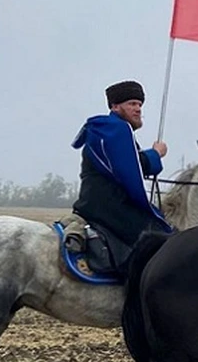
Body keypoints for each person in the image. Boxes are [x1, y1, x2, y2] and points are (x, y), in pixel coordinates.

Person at [71, 80, 173, 276]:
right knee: (158, 238)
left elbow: (126, 163)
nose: (138, 109)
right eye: (132, 104)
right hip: (110, 206)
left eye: (140, 104)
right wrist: (155, 154)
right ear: (115, 107)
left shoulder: (110, 130)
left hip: (100, 203)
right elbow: (131, 166)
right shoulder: (116, 129)